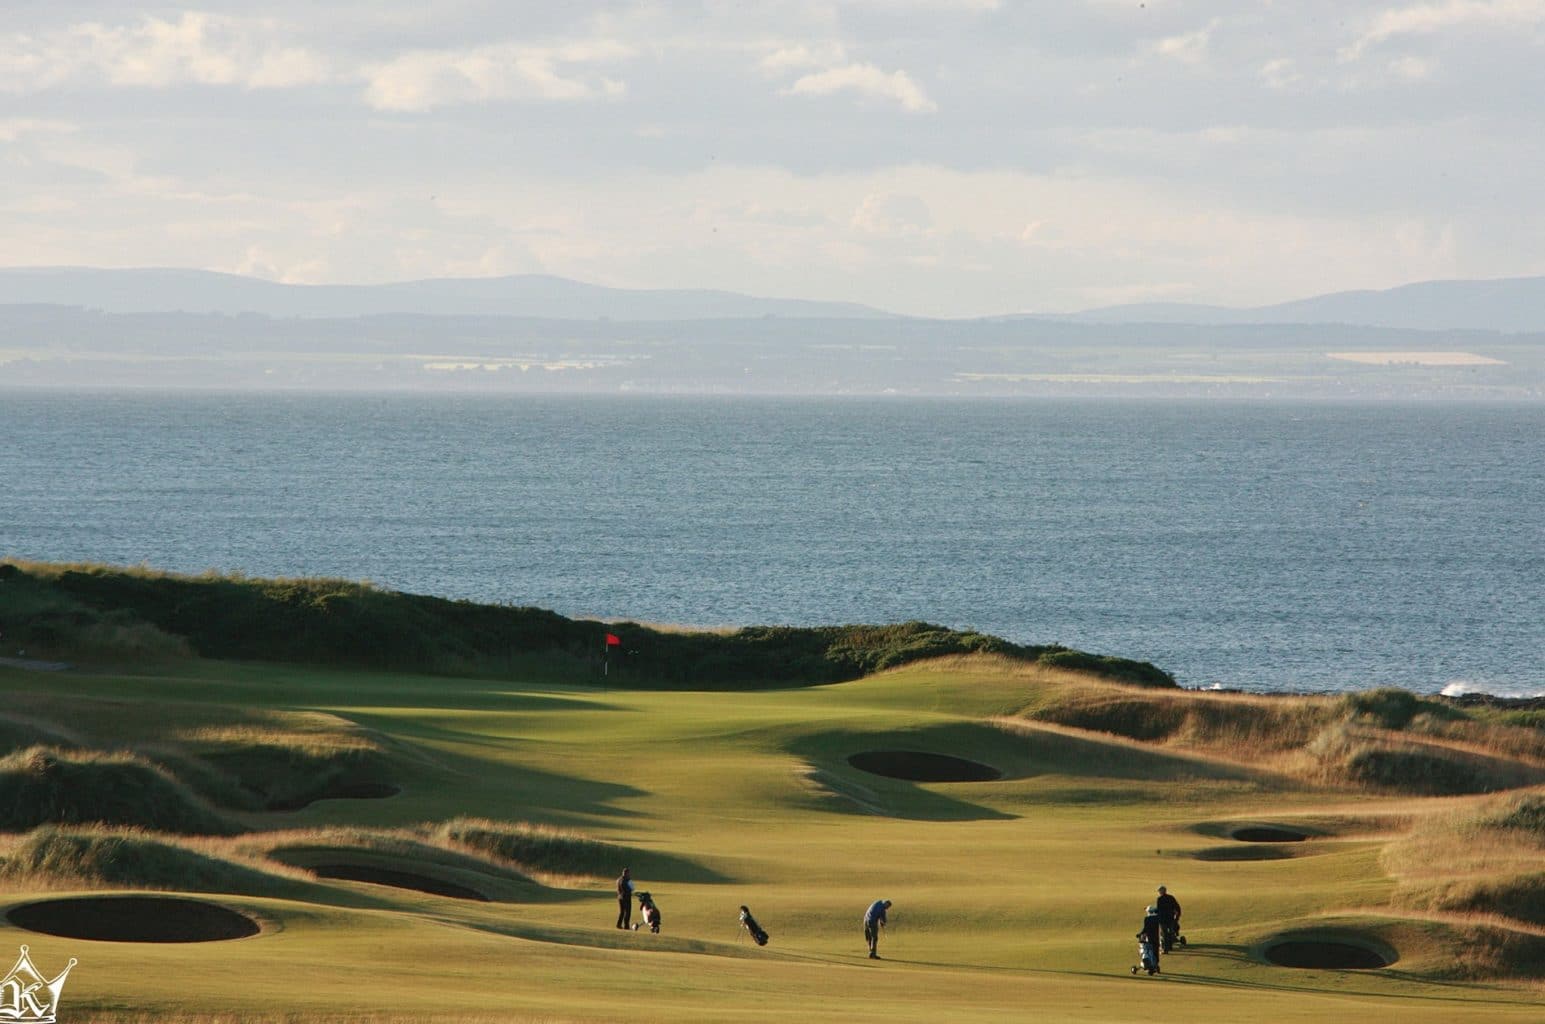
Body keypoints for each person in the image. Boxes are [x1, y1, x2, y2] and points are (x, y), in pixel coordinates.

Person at [1156, 885, 1182, 952]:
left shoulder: (1159, 899)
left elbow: (1159, 910)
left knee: (1164, 934)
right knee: (1171, 932)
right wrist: (1177, 915)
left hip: (1163, 919)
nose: (1158, 892)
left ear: (1162, 891)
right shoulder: (1171, 897)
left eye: (1159, 891)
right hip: (1170, 918)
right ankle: (1170, 947)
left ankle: (1165, 949)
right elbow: (1177, 906)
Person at [1137, 904, 1163, 973]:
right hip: (1157, 938)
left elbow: (1145, 929)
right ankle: (1155, 965)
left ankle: (1149, 965)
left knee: (1148, 952)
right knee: (1155, 952)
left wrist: (1140, 934)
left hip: (1149, 938)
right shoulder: (1157, 918)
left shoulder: (1147, 919)